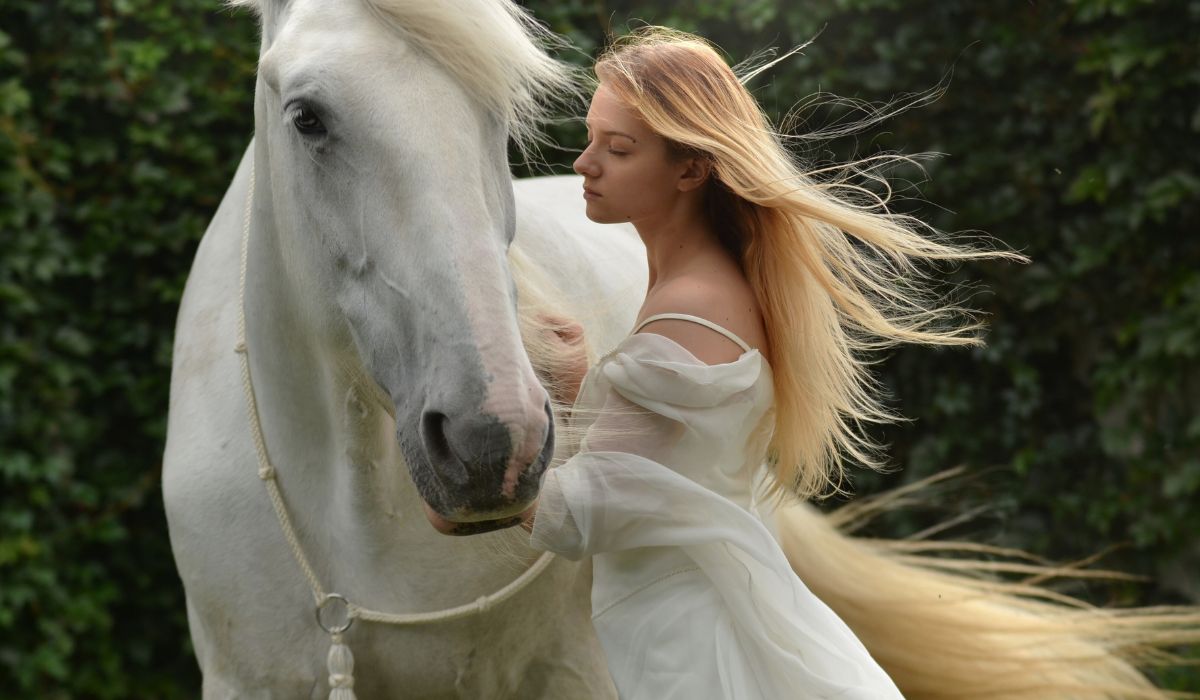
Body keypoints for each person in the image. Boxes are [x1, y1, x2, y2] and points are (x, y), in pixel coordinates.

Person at [523, 26, 1195, 700]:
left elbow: (574, 518)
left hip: (688, 650)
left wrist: (485, 477)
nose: (584, 163)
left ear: (691, 170)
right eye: (590, 138)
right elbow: (664, 466)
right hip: (693, 622)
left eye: (617, 149)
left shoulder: (688, 308)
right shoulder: (708, 287)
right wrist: (577, 382)